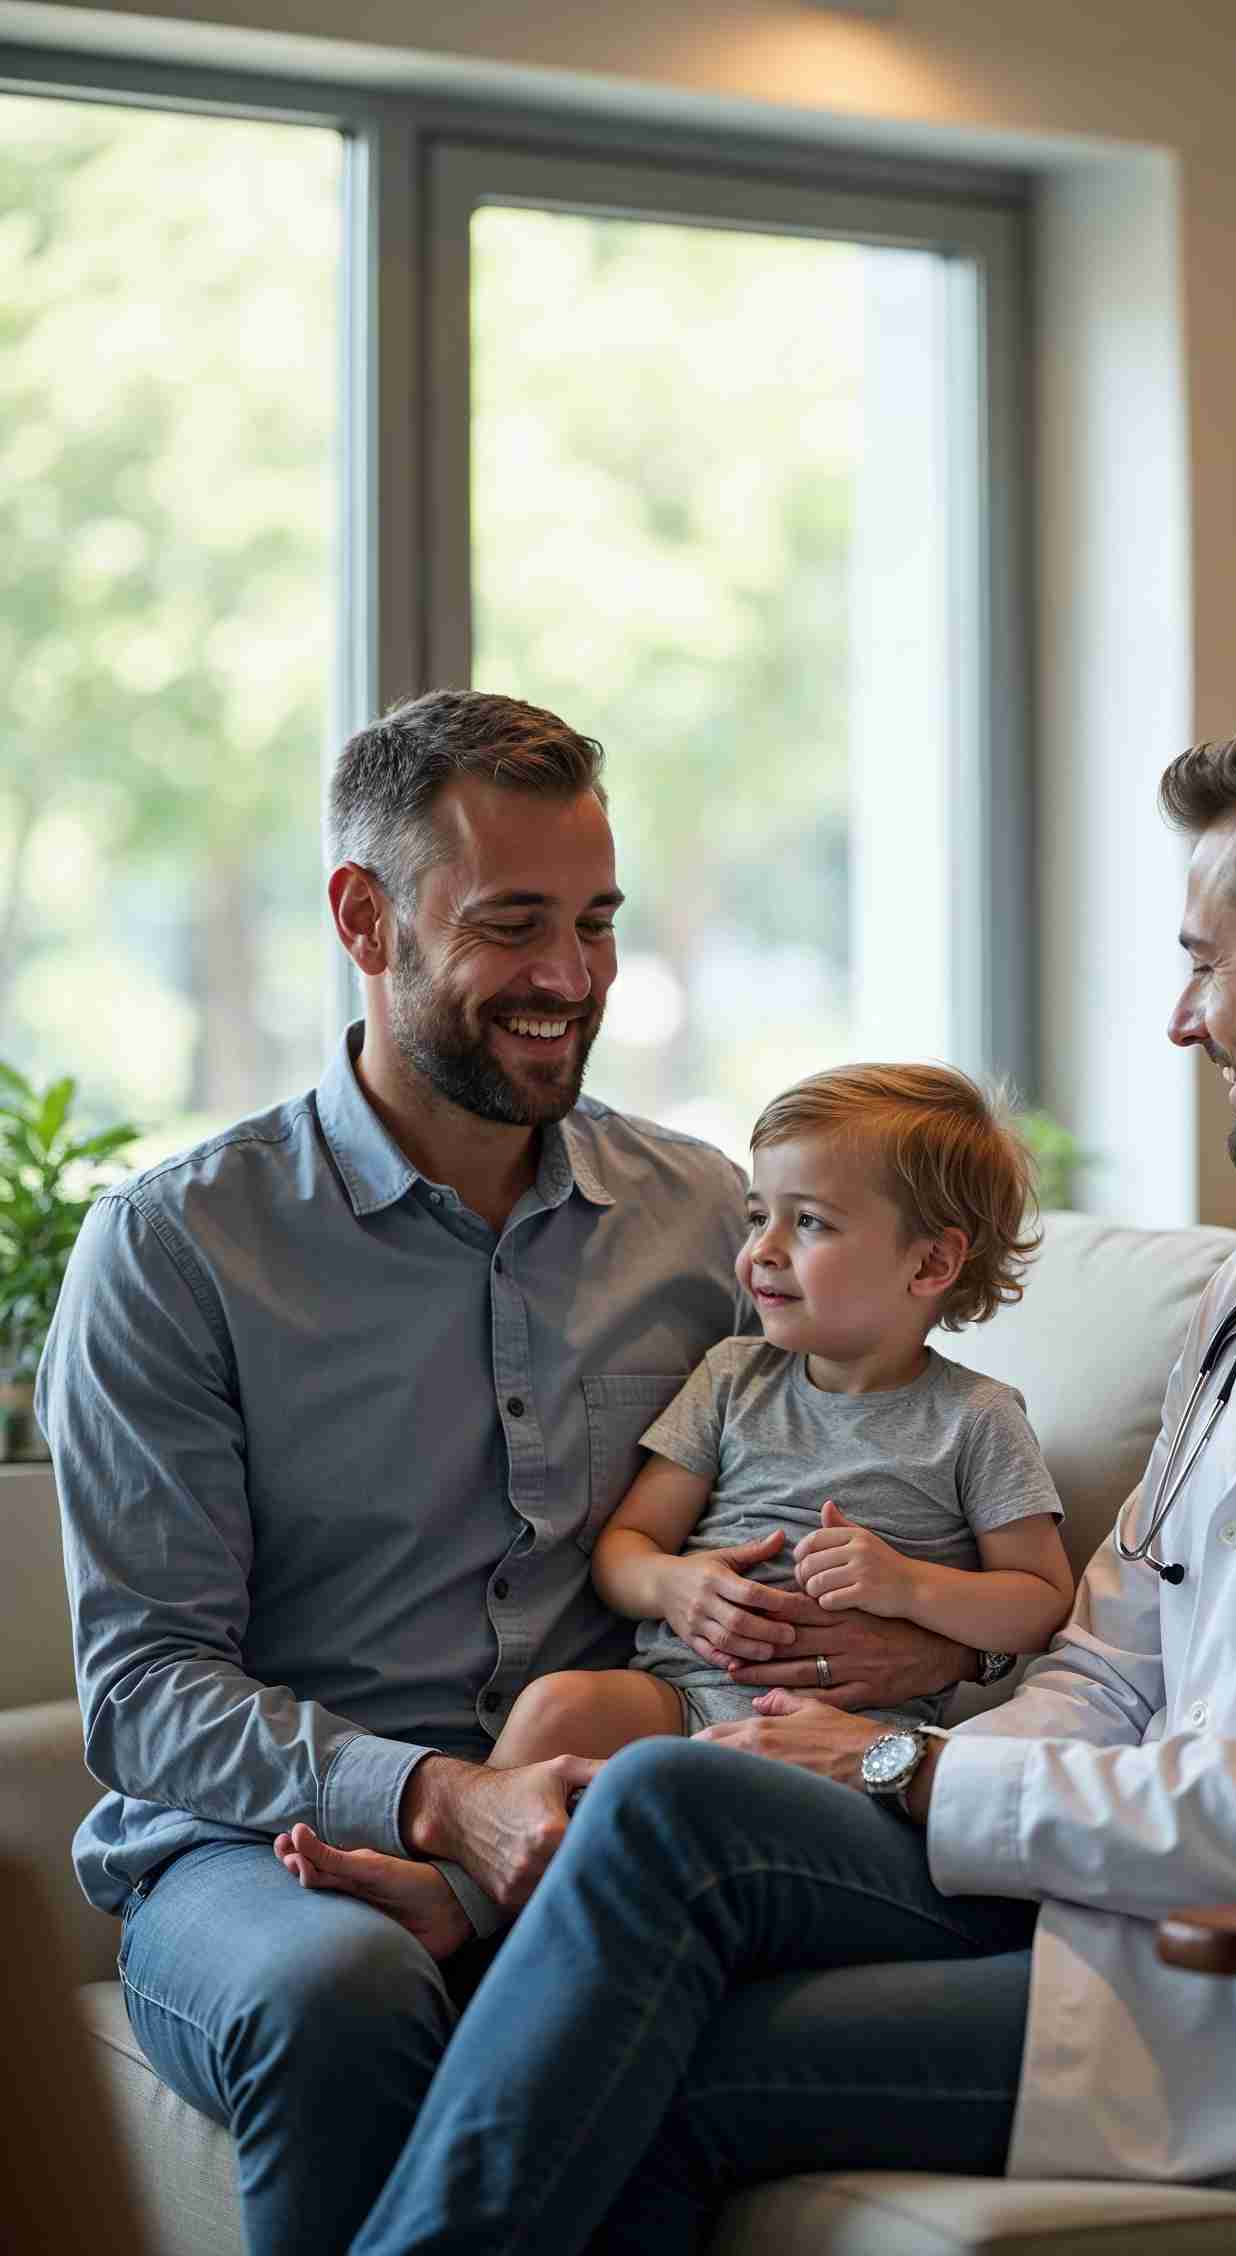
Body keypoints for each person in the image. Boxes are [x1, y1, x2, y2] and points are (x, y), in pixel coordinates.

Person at [341, 695, 1236, 2256]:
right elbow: (1107, 1651)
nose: (1180, 1018)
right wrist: (884, 1750)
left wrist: (911, 1768)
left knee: (672, 2052)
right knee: (672, 1797)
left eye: (1199, 962)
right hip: (1116, 1900)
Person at [36, 690, 984, 2256]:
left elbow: (874, 1470)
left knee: (664, 1983)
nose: (570, 980)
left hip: (615, 1813)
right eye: (514, 926)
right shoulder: (177, 1251)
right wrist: (437, 1799)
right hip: (264, 1852)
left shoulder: (706, 1222)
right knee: (341, 1993)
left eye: (597, 925)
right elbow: (143, 1687)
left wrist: (924, 1636)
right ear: (365, 917)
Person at [277, 1063, 1074, 1950]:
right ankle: (461, 1886)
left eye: (807, 1222)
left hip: (839, 1738)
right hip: (677, 1696)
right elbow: (626, 1547)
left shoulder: (977, 1419)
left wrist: (912, 1588)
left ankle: (489, 1920)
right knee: (556, 1708)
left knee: (684, 1826)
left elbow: (1041, 1603)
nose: (762, 1250)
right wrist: (676, 1586)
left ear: (932, 1262)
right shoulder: (733, 1377)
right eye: (757, 1215)